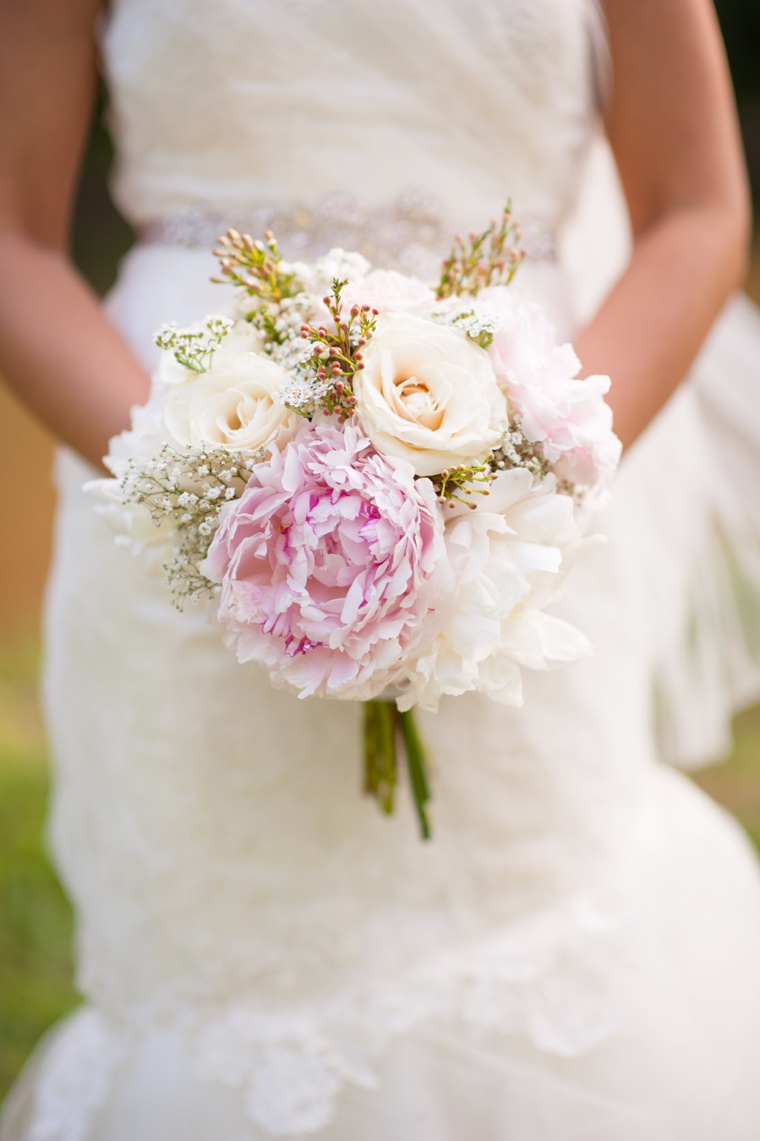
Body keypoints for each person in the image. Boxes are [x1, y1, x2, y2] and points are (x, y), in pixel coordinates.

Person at [2, 0, 760, 1137]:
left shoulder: (522, 487)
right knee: (228, 972)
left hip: (520, 503)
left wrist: (518, 474)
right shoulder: (187, 485)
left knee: (530, 909)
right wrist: (211, 492)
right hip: (176, 468)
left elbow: (697, 209)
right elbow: (13, 237)